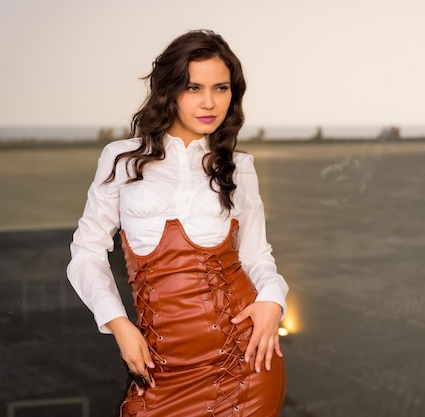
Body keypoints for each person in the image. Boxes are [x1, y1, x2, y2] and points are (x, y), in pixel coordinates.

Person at [67, 29, 288, 417]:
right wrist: (119, 325)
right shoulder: (122, 159)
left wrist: (272, 299)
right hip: (159, 369)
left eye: (221, 88)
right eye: (193, 88)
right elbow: (86, 253)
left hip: (243, 365)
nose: (209, 102)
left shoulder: (239, 167)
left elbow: (257, 257)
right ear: (169, 91)